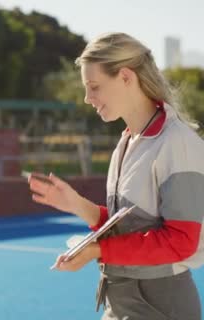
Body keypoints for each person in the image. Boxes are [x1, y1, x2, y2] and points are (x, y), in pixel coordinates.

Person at [29, 32, 204, 320]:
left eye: (94, 86)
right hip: (120, 299)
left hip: (159, 304)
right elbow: (125, 225)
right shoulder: (126, 142)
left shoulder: (177, 142)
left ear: (125, 77)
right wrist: (75, 204)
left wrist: (97, 250)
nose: (87, 98)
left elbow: (179, 241)